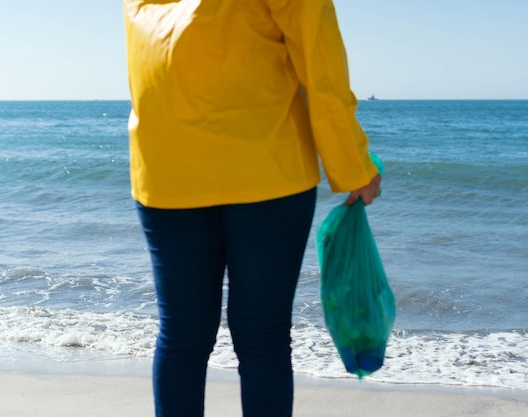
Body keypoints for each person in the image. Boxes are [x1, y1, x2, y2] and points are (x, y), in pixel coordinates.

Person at [123, 1, 382, 416]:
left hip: (166, 168)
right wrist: (352, 167)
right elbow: (321, 67)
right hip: (267, 168)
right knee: (262, 336)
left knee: (183, 336)